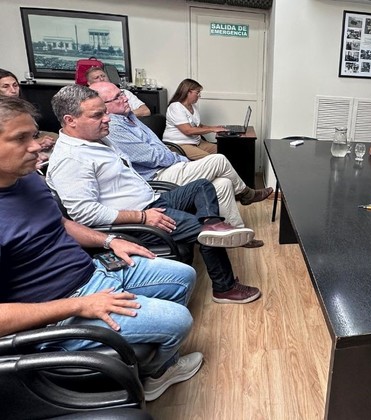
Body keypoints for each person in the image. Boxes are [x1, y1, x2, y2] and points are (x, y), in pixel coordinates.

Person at [0, 95, 202, 402]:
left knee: (184, 276)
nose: (37, 146)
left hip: (91, 270)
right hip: (60, 309)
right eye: (20, 139)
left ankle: (154, 366)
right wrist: (78, 306)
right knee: (179, 320)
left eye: (34, 135)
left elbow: (61, 222)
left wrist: (109, 240)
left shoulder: (26, 179)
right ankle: (156, 373)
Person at [46, 84, 262, 305]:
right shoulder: (71, 159)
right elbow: (85, 214)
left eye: (105, 112)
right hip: (137, 219)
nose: (107, 118)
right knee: (204, 231)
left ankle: (213, 224)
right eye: (97, 115)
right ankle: (224, 287)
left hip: (152, 200)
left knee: (202, 186)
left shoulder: (98, 139)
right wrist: (142, 217)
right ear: (70, 120)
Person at [90, 81, 272, 247]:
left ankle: (235, 233)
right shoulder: (114, 127)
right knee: (219, 160)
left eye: (122, 93)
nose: (125, 98)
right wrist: (178, 158)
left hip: (169, 163)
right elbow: (152, 156)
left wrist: (174, 156)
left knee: (223, 183)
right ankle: (247, 194)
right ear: (103, 106)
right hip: (158, 175)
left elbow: (158, 147)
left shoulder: (130, 116)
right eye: (118, 97)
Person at [0, 68, 57, 165]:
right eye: (6, 87)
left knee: (57, 138)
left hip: (34, 136)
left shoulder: (22, 105)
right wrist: (38, 142)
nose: (13, 90)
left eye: (15, 85)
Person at [162, 78, 227, 160]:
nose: (199, 95)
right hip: (180, 145)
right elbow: (188, 130)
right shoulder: (175, 107)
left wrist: (215, 127)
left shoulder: (193, 106)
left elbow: (199, 126)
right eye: (197, 92)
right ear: (188, 92)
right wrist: (212, 129)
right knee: (213, 160)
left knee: (225, 151)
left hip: (197, 143)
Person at [85, 66, 151, 117]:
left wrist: (126, 115)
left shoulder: (124, 92)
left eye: (103, 76)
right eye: (97, 78)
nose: (102, 79)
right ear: (89, 83)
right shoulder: (89, 99)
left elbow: (146, 111)